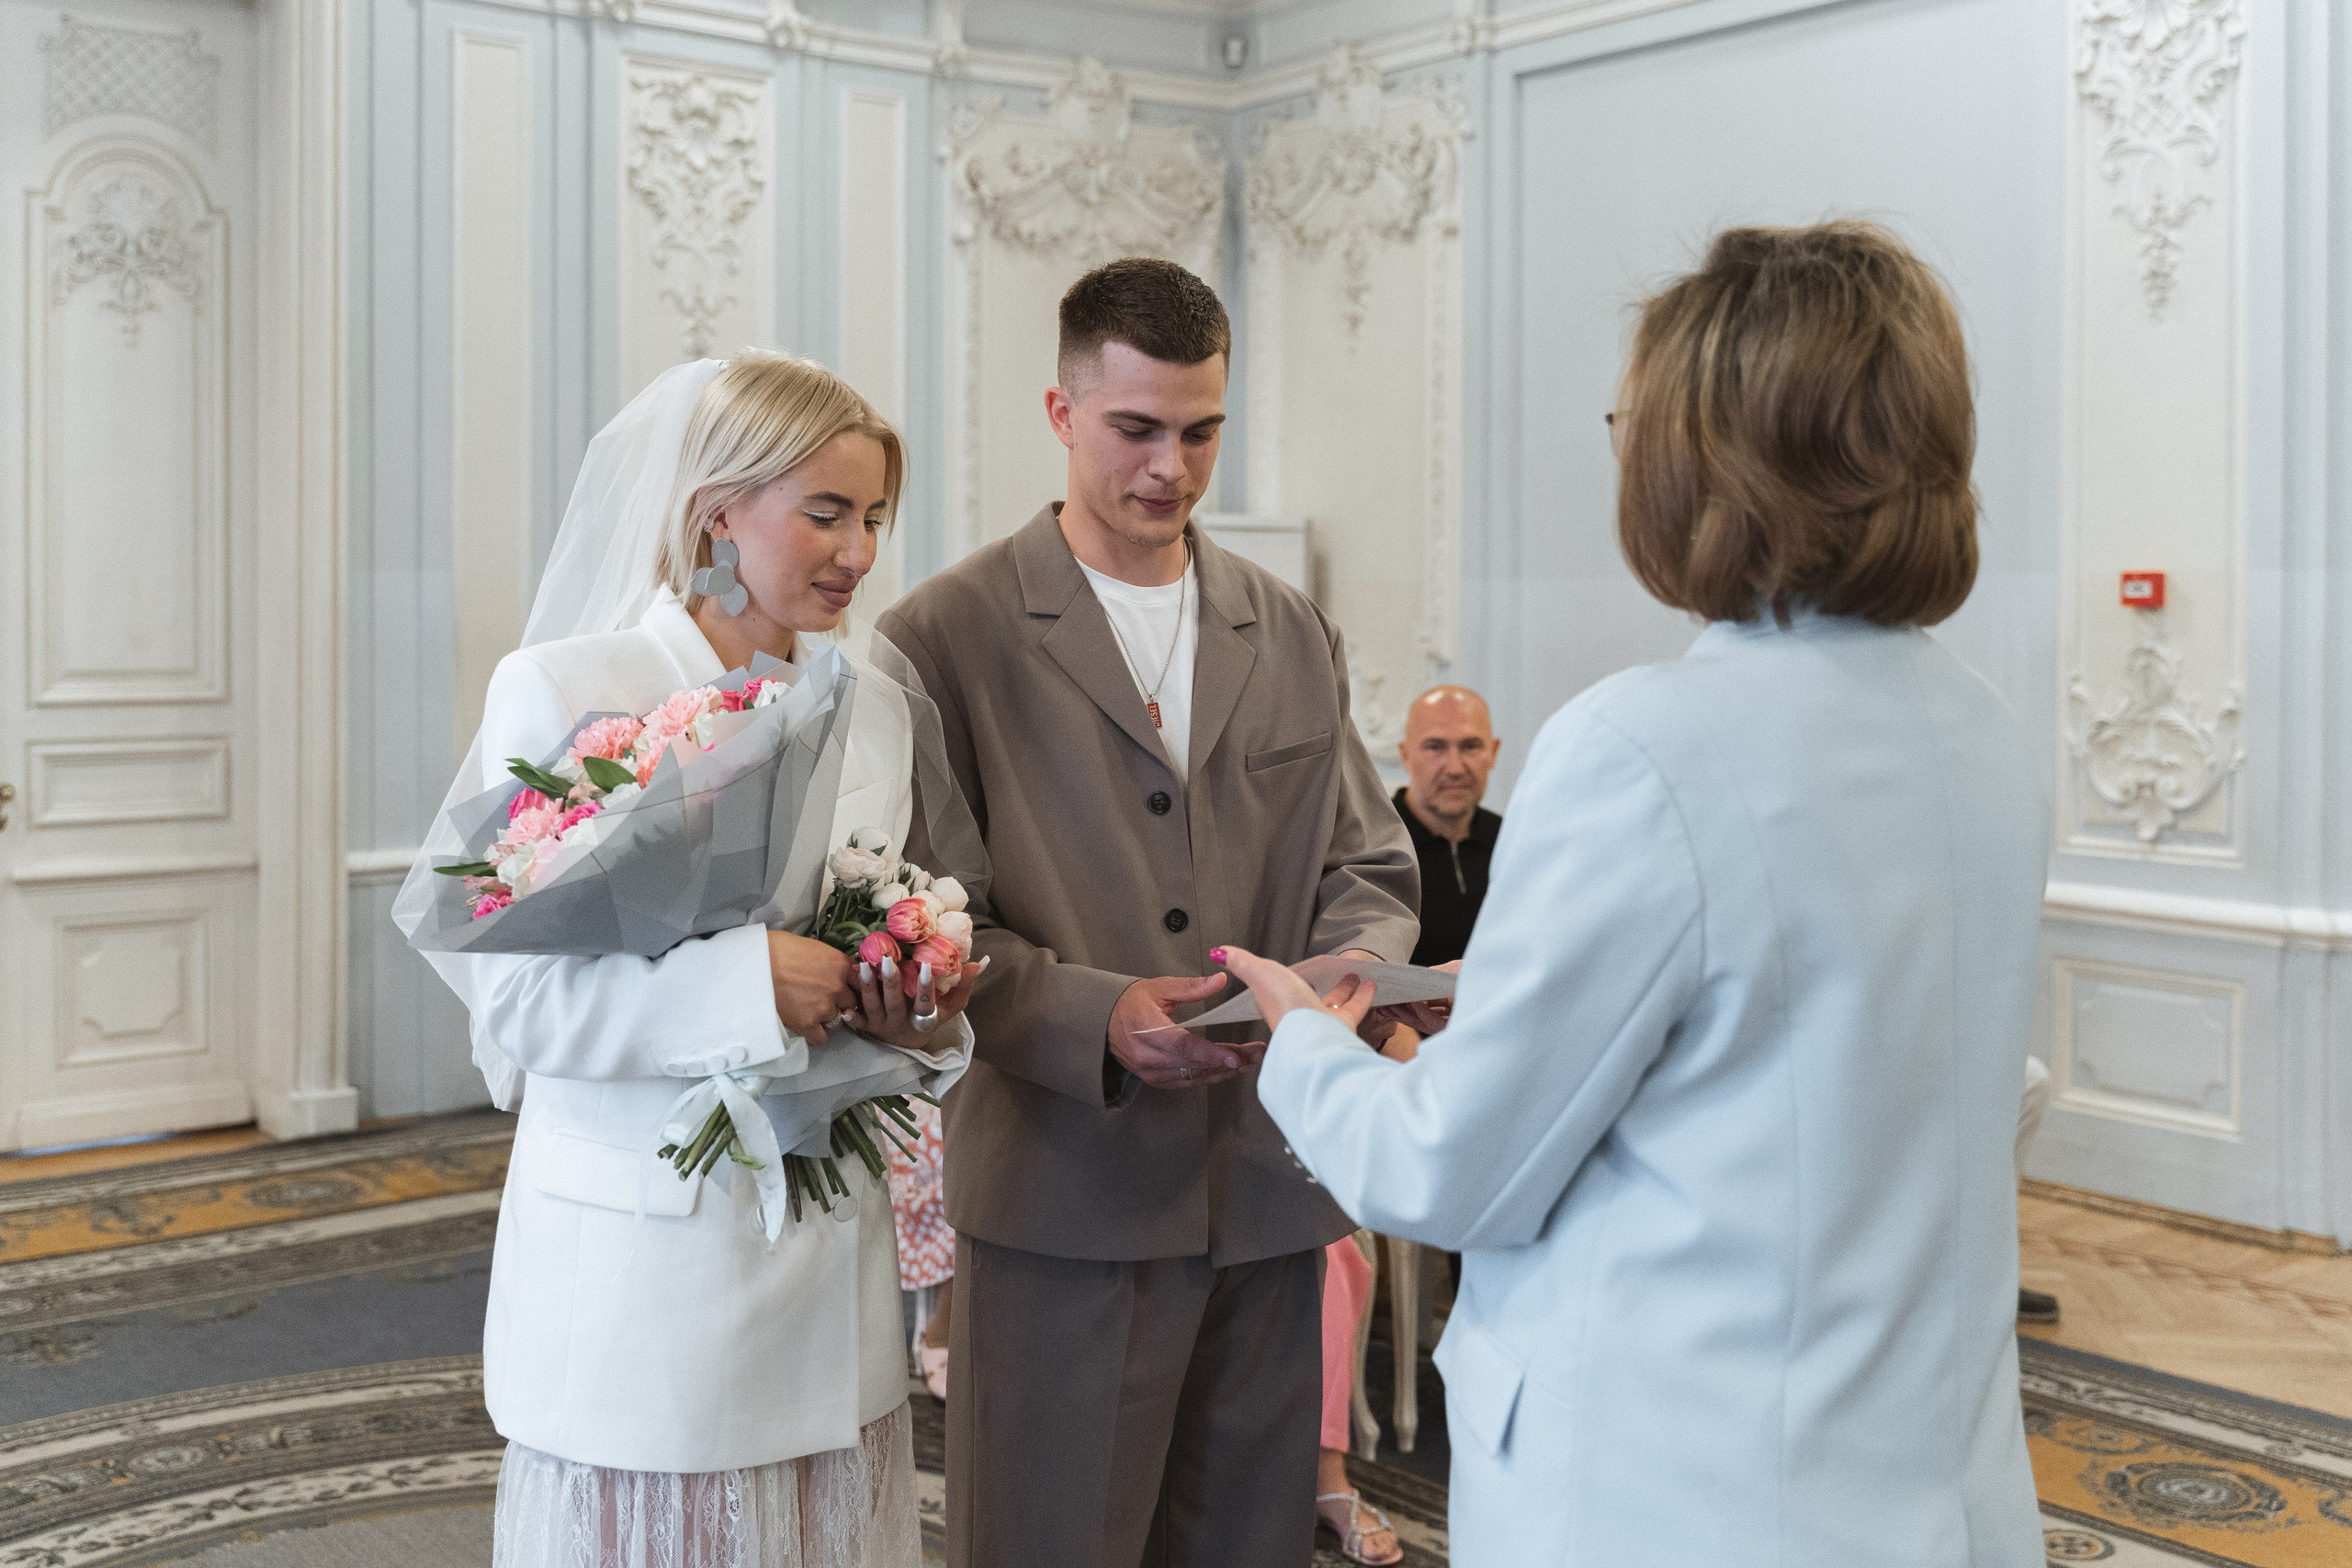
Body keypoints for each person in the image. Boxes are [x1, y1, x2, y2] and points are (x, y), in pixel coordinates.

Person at [1217, 221, 2050, 1566]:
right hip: (1930, 1485)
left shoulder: (1647, 742)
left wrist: (1302, 1042)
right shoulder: (1987, 734)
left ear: (1704, 459)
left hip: (1676, 1485)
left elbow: (1447, 1164)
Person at [876, 257, 1419, 1568]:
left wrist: (1353, 984)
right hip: (1067, 1199)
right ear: (1062, 415)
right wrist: (1096, 1013)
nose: (1170, 466)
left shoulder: (1288, 627)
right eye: (1136, 429)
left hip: (1272, 1189)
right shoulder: (943, 636)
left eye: (1201, 430)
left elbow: (1370, 865)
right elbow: (926, 927)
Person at [398, 353, 985, 1568]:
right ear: (719, 510)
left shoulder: (868, 703)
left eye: (874, 515)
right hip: (644, 1276)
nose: (861, 548)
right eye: (826, 511)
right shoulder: (569, 688)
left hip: (828, 1272)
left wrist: (915, 1006)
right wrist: (744, 987)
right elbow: (517, 998)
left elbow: (875, 936)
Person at [1394, 685, 1503, 968]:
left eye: (1471, 746)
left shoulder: (1516, 843)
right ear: (1405, 755)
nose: (1455, 768)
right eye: (1435, 747)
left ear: (1493, 752)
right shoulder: (1369, 848)